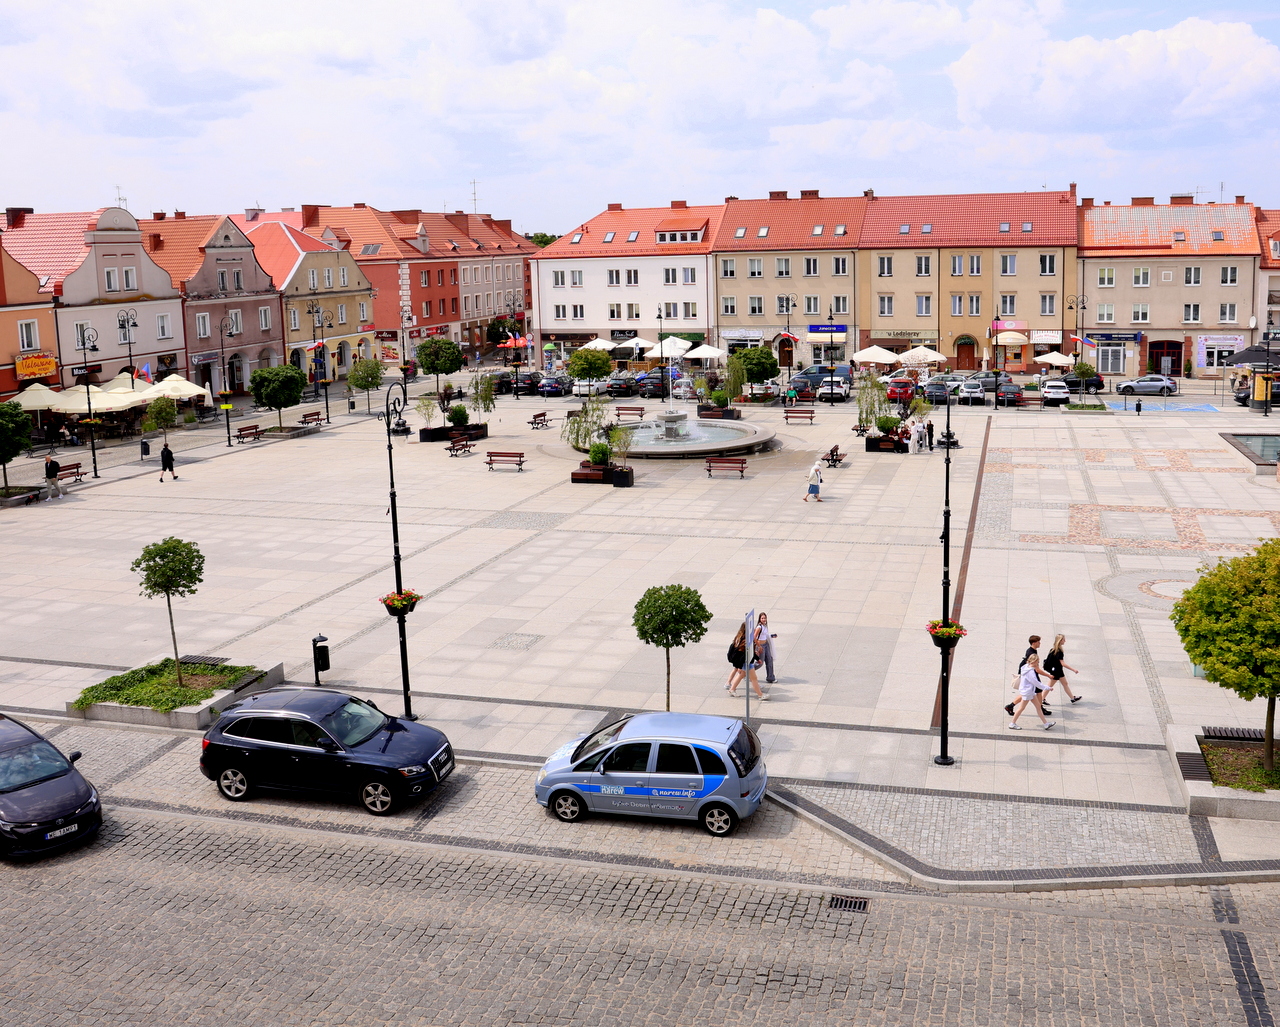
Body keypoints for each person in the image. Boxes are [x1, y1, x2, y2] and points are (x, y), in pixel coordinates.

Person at [1009, 652, 1055, 730]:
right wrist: (1048, 688)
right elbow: (1037, 683)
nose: (1038, 663)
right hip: (1028, 692)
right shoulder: (1031, 672)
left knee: (1038, 707)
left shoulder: (1025, 667)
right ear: (1034, 662)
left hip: (1029, 692)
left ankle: (1046, 724)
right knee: (1022, 708)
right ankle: (1012, 723)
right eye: (1038, 662)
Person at [725, 623, 766, 701]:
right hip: (747, 661)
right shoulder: (746, 640)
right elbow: (748, 652)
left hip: (744, 661)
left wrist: (757, 658)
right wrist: (757, 658)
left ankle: (732, 689)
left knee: (742, 674)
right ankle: (760, 695)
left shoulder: (739, 637)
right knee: (754, 678)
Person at [1006, 635, 1043, 716]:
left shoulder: (1032, 650)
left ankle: (1010, 706)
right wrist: (1048, 675)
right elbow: (1034, 667)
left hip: (1030, 673)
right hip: (1030, 674)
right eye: (1038, 642)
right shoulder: (1031, 652)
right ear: (1034, 643)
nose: (1040, 643)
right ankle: (1040, 709)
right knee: (1033, 692)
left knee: (1033, 692)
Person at [1043, 633, 1081, 704]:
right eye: (1063, 640)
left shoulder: (1053, 649)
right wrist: (1073, 670)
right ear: (1060, 641)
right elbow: (1062, 663)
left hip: (1057, 671)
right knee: (1049, 686)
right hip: (1057, 672)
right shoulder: (1059, 652)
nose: (1065, 641)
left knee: (1065, 684)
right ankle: (1041, 699)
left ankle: (1072, 698)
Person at [754, 613, 778, 684]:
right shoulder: (759, 627)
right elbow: (754, 637)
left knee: (769, 660)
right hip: (761, 646)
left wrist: (771, 636)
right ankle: (746, 671)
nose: (764, 620)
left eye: (765, 618)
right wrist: (759, 646)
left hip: (766, 644)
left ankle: (770, 677)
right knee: (760, 663)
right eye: (762, 618)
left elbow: (765, 635)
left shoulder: (765, 626)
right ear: (760, 619)